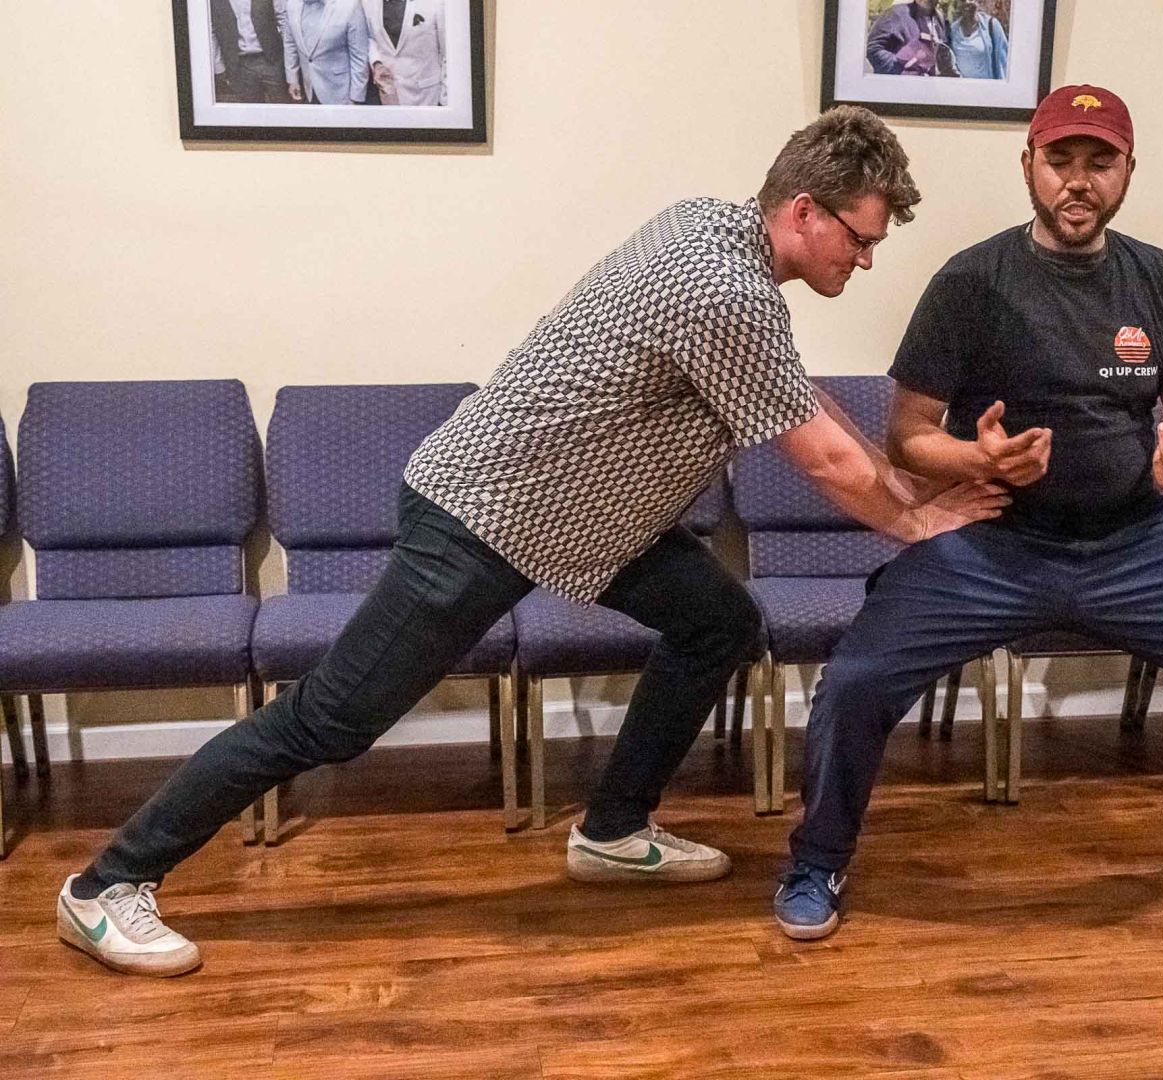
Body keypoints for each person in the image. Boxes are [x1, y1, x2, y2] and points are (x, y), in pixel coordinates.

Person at [54, 106, 1008, 978]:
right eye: (862, 238)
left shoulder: (712, 230)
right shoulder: (724, 289)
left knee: (717, 622)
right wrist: (917, 523)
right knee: (330, 721)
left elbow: (800, 397)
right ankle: (107, 885)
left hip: (590, 523)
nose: (866, 261)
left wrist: (917, 484)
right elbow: (826, 460)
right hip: (485, 516)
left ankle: (614, 829)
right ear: (804, 211)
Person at [772, 84, 1163, 943]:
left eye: (1099, 162)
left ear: (1127, 171)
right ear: (1029, 168)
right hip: (993, 541)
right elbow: (907, 437)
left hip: (1134, 542)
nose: (1078, 181)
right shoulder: (971, 282)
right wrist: (978, 459)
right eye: (1060, 160)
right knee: (856, 684)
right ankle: (818, 858)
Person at [361, 0, 448, 106]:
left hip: (427, 97)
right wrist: (376, 63)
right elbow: (370, 37)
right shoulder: (368, 3)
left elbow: (448, 53)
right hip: (387, 96)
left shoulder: (437, 3)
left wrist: (446, 100)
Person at [283, 0, 370, 105]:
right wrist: (293, 79)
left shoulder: (350, 5)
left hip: (341, 93)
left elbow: (360, 56)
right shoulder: (292, 4)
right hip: (308, 89)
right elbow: (290, 43)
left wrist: (356, 97)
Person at [210, 0, 292, 104]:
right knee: (250, 110)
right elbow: (211, 30)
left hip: (272, 60)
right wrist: (220, 68)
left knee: (282, 105)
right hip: (240, 66)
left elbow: (283, 20)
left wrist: (290, 61)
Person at [867, 1, 954, 77]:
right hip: (900, 86)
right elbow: (873, 48)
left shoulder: (940, 19)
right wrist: (901, 69)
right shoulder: (896, 13)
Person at [948, 0, 1009, 81]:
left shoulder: (991, 26)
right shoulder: (953, 30)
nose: (967, 2)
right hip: (961, 87)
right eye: (963, 0)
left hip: (987, 87)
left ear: (978, 2)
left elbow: (1003, 64)